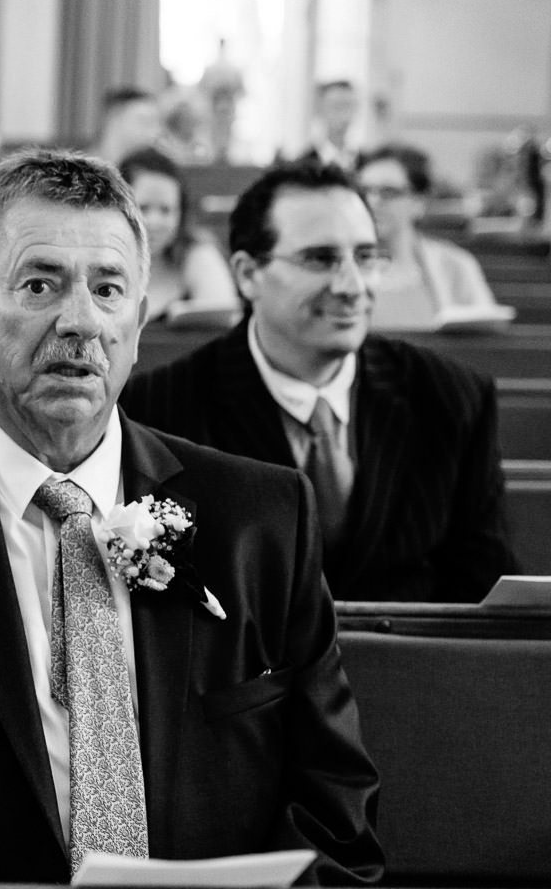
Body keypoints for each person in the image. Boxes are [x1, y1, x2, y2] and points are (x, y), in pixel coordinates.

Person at [0, 151, 383, 883]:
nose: (80, 322)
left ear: (139, 325)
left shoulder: (261, 517)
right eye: (40, 283)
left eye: (108, 289)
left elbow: (337, 809)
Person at [121, 160, 518, 601]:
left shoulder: (450, 396)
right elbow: (157, 602)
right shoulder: (160, 407)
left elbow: (482, 589)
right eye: (320, 259)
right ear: (248, 273)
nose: (352, 286)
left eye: (365, 257)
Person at [354, 143, 501, 331]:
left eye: (389, 192)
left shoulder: (454, 265)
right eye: (364, 192)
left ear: (418, 202)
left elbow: (485, 341)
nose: (373, 202)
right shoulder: (342, 266)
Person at [117, 147, 238, 322]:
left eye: (166, 210)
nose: (154, 222)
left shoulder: (198, 254)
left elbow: (226, 320)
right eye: (143, 208)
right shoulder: (98, 259)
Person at [302, 80, 362, 168]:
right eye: (336, 107)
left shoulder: (363, 163)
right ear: (320, 109)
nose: (344, 115)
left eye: (348, 106)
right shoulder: (305, 165)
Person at [95, 87, 164, 163]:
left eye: (157, 123)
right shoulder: (82, 165)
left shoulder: (146, 170)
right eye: (145, 121)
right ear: (115, 114)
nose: (157, 131)